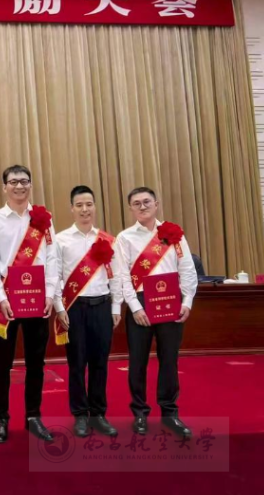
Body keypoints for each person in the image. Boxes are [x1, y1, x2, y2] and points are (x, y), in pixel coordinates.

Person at [0, 165, 58, 443]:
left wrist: (50, 293)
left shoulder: (43, 219)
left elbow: (52, 257)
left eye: (24, 181)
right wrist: (1, 298)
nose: (19, 186)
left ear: (30, 185)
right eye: (13, 182)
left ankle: (33, 417)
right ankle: (1, 419)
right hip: (7, 300)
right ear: (4, 187)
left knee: (36, 362)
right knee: (2, 363)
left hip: (38, 299)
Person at [114, 187, 197, 438]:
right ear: (130, 208)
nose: (142, 207)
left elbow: (187, 269)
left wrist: (187, 301)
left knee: (169, 359)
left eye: (146, 202)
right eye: (136, 203)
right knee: (137, 362)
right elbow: (122, 276)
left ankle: (170, 413)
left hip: (171, 301)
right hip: (140, 303)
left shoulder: (173, 233)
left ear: (156, 204)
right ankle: (140, 412)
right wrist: (135, 307)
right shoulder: (124, 238)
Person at [53, 185, 121, 438]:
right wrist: (60, 307)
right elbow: (55, 276)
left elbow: (116, 276)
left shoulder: (107, 240)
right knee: (77, 363)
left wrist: (116, 306)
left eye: (89, 204)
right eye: (79, 205)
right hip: (74, 308)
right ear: (72, 208)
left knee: (100, 363)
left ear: (95, 207)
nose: (85, 209)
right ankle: (80, 414)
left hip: (102, 306)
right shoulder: (60, 240)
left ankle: (98, 414)